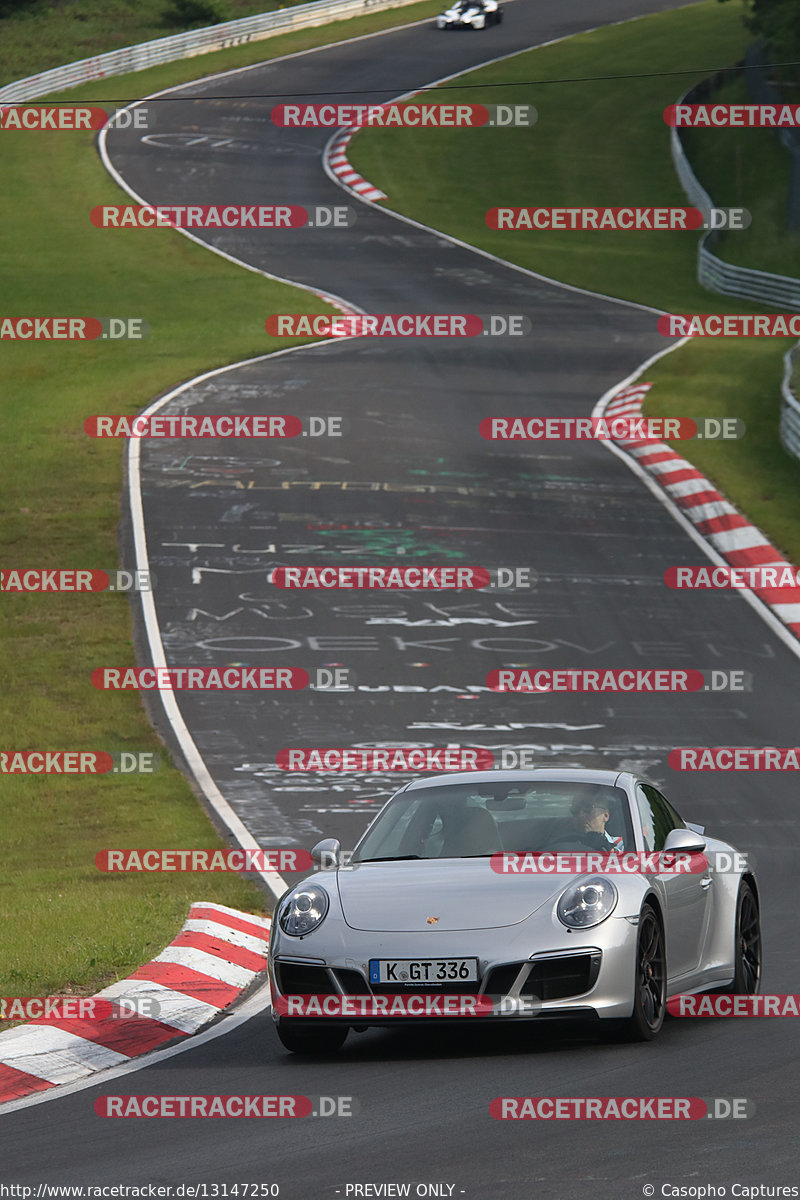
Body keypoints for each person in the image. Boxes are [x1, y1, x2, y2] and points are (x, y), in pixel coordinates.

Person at [542, 788, 622, 852]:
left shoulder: (623, 845)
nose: (581, 815)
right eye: (575, 810)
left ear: (606, 815)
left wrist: (609, 849)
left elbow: (627, 866)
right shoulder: (559, 845)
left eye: (588, 809)